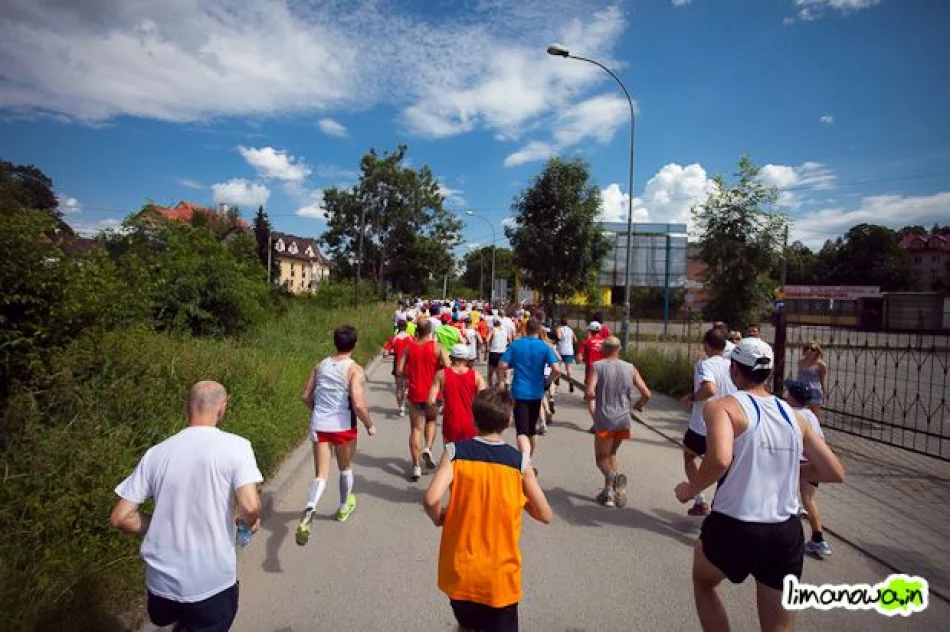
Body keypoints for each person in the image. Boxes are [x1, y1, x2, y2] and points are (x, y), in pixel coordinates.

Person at [674, 338, 845, 632]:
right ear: (768, 373)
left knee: (704, 581)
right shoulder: (795, 416)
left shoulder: (721, 408)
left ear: (734, 370)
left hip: (735, 523)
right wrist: (793, 467)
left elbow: (719, 460)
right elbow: (833, 471)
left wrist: (690, 490)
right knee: (778, 625)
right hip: (784, 531)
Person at [110, 381, 263, 632]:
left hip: (160, 583)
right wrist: (248, 521)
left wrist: (160, 523)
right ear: (222, 408)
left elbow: (120, 517)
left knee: (166, 622)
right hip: (210, 582)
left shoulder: (156, 453)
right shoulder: (237, 446)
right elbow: (250, 505)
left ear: (187, 408)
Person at [423, 388, 553, 632]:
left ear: (473, 419)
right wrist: (521, 500)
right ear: (508, 421)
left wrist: (439, 517)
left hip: (461, 571)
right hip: (499, 576)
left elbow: (431, 499)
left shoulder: (454, 453)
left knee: (467, 624)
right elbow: (546, 514)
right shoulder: (519, 463)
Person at [296, 326, 378, 546]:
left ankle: (311, 506)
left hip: (319, 424)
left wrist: (318, 410)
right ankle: (343, 508)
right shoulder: (354, 369)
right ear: (355, 344)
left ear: (334, 343)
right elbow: (358, 403)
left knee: (321, 474)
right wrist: (369, 424)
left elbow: (305, 396)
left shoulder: (320, 366)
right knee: (345, 467)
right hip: (343, 425)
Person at [586, 336, 651, 508]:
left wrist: (592, 404)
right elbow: (647, 393)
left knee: (601, 458)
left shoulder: (597, 366)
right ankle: (608, 493)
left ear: (603, 349)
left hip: (605, 418)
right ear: (619, 349)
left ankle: (615, 480)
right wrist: (639, 405)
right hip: (623, 419)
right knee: (612, 454)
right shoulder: (630, 368)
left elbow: (590, 392)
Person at [679, 328, 737, 517]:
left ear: (706, 345)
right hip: (728, 425)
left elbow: (710, 389)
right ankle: (722, 508)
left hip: (703, 424)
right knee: (725, 467)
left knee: (689, 457)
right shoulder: (733, 367)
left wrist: (692, 397)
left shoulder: (706, 365)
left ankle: (699, 499)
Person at [499, 318, 561, 460]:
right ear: (539, 331)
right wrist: (547, 382)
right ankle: (529, 459)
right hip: (536, 392)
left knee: (521, 431)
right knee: (532, 429)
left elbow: (502, 365)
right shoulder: (545, 347)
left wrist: (503, 381)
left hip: (519, 391)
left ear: (525, 330)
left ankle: (525, 461)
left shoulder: (516, 345)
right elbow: (557, 370)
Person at [397, 319, 451, 481]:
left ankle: (416, 466)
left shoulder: (409, 347)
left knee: (415, 429)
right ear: (430, 330)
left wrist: (410, 375)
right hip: (433, 393)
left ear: (416, 330)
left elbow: (399, 370)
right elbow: (448, 368)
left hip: (415, 393)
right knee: (431, 421)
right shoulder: (437, 347)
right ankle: (427, 447)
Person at [784, 379, 832, 558]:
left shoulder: (788, 413)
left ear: (792, 398)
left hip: (795, 462)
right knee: (809, 500)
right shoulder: (811, 415)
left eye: (788, 392)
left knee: (783, 494)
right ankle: (818, 539)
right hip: (812, 462)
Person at [429, 344, 487, 446]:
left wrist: (437, 404)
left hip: (450, 422)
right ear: (467, 358)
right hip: (471, 423)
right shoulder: (477, 376)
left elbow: (431, 401)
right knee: (469, 457)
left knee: (450, 456)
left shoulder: (441, 375)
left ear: (451, 357)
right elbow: (485, 402)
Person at [578, 321, 608, 434]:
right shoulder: (606, 342)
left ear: (589, 330)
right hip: (605, 372)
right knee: (602, 398)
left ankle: (597, 423)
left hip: (591, 373)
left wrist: (580, 356)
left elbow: (579, 359)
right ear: (600, 330)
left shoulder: (586, 342)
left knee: (591, 398)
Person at [384, 319, 413, 416]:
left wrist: (388, 353)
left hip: (397, 367)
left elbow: (385, 353)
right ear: (406, 327)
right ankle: (408, 394)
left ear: (397, 327)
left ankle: (401, 409)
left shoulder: (393, 338)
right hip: (409, 366)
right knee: (409, 386)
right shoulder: (411, 338)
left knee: (399, 388)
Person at [796, 341, 828, 416]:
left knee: (814, 417)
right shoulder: (800, 361)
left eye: (813, 349)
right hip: (801, 391)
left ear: (817, 351)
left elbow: (822, 380)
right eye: (807, 348)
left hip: (814, 392)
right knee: (799, 415)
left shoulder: (821, 365)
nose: (809, 351)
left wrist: (824, 394)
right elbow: (798, 377)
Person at [486, 316, 511, 389]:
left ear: (494, 323)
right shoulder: (505, 330)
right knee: (500, 377)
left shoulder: (493, 330)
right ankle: (501, 393)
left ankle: (490, 389)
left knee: (490, 375)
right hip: (503, 353)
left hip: (494, 353)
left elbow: (487, 339)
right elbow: (510, 340)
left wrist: (488, 347)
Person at [556, 318, 577, 393]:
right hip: (569, 350)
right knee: (568, 368)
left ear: (560, 323)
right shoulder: (571, 330)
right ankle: (570, 383)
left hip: (561, 350)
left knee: (557, 367)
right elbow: (575, 340)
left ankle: (557, 385)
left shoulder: (559, 329)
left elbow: (559, 338)